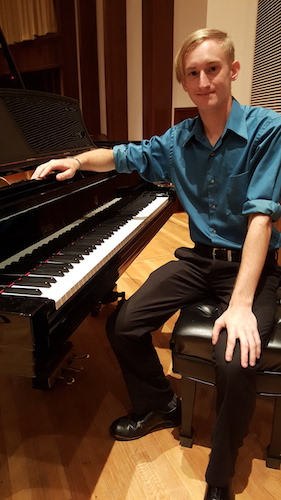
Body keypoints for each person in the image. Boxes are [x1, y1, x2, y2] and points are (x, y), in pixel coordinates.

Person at [32, 28, 281, 500]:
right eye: (193, 73)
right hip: (197, 261)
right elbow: (123, 156)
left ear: (232, 71)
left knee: (235, 360)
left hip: (249, 267)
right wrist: (77, 160)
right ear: (184, 85)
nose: (204, 80)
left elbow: (261, 222)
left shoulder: (268, 131)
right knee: (123, 324)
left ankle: (220, 478)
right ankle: (160, 404)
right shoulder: (178, 139)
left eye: (212, 69)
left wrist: (243, 303)